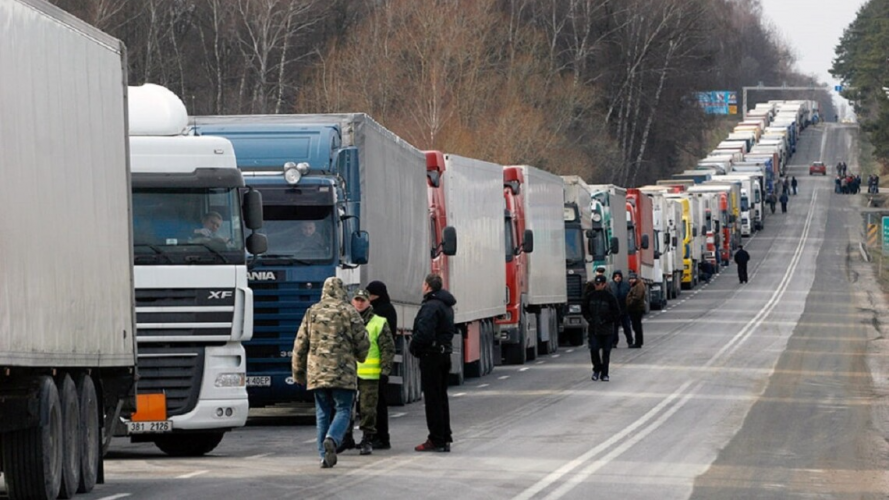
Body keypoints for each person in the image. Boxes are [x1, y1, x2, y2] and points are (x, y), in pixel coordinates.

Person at [292, 277, 369, 469]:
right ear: (342, 291)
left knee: (322, 412)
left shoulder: (312, 312)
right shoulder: (349, 312)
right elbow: (362, 341)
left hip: (317, 372)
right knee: (343, 409)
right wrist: (361, 356)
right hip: (343, 372)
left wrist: (298, 374)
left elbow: (300, 345)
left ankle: (323, 455)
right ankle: (332, 439)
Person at [410, 273, 456, 452]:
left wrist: (414, 346)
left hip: (432, 356)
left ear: (428, 286)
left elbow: (425, 332)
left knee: (432, 399)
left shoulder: (430, 306)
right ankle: (445, 437)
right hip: (444, 354)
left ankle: (436, 438)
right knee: (441, 397)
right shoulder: (446, 305)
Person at [350, 289, 395, 456]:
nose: (360, 303)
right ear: (352, 301)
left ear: (369, 302)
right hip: (349, 373)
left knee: (368, 409)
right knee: (346, 408)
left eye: (363, 300)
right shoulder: (346, 321)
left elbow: (387, 348)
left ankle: (367, 438)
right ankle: (346, 437)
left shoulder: (379, 322)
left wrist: (385, 371)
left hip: (370, 374)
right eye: (357, 300)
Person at [365, 280, 397, 450]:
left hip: (378, 365)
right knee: (375, 404)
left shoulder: (381, 312)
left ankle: (381, 437)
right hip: (374, 366)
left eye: (370, 294)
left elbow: (385, 342)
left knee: (378, 405)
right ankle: (377, 436)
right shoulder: (386, 309)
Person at [581, 275, 621, 382]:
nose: (597, 286)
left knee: (606, 352)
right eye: (596, 284)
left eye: (599, 284)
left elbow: (616, 313)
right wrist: (590, 319)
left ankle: (605, 373)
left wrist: (606, 320)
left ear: (604, 284)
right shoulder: (590, 296)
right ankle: (596, 369)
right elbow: (584, 309)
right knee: (594, 349)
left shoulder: (610, 297)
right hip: (594, 329)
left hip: (607, 329)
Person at [608, 270, 632, 348]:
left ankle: (630, 341)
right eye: (616, 276)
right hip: (614, 310)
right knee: (614, 328)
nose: (617, 278)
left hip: (624, 309)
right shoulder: (610, 285)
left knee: (627, 327)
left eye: (619, 276)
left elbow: (629, 295)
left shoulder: (626, 285)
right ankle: (614, 342)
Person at [625, 272, 646, 348]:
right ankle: (638, 342)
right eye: (630, 279)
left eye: (632, 279)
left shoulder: (638, 286)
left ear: (636, 279)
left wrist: (629, 303)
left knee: (637, 326)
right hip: (635, 309)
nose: (631, 280)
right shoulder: (635, 285)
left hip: (637, 309)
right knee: (636, 326)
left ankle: (638, 342)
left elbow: (636, 298)